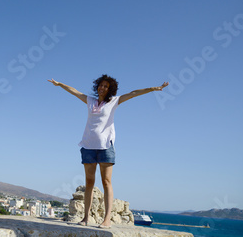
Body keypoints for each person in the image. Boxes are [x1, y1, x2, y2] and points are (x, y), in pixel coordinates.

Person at [48, 75, 169, 228]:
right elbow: (74, 91)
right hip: (88, 146)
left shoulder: (114, 101)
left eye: (106, 86)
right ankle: (85, 218)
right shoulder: (90, 101)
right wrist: (60, 84)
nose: (102, 88)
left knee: (106, 182)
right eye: (101, 85)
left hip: (106, 147)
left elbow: (133, 93)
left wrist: (153, 88)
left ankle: (106, 220)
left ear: (110, 89)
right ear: (97, 86)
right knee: (89, 182)